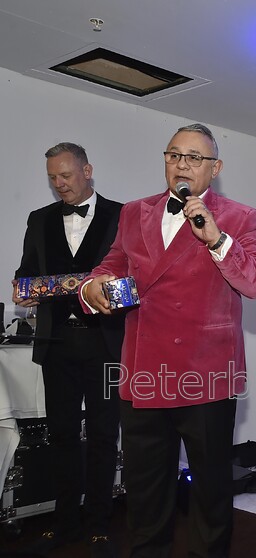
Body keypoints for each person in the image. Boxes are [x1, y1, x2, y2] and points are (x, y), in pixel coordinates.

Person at [80, 123, 256, 558]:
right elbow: (111, 264)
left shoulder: (240, 216)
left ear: (215, 168)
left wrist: (216, 238)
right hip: (144, 373)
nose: (181, 164)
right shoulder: (133, 212)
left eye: (194, 157)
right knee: (145, 495)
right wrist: (93, 287)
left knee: (210, 494)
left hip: (205, 375)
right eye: (173, 155)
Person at [13, 142, 124, 558]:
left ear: (87, 170)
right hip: (56, 343)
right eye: (53, 178)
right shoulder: (38, 219)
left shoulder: (122, 214)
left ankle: (98, 523)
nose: (60, 184)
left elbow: (132, 272)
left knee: (102, 435)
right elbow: (27, 272)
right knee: (61, 435)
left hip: (106, 343)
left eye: (66, 175)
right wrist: (23, 289)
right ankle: (65, 522)